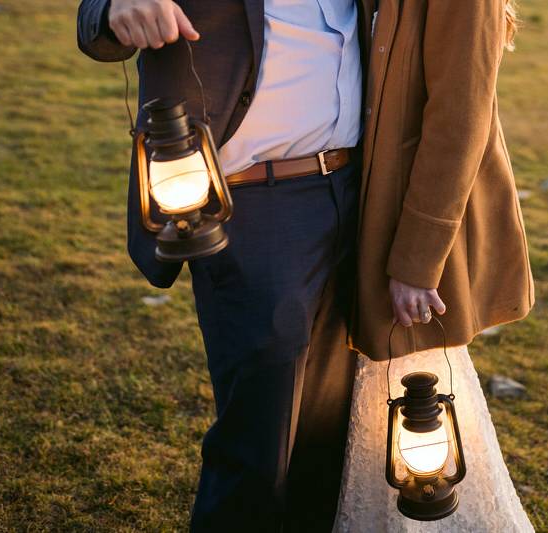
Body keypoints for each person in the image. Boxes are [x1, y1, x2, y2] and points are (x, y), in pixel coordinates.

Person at [77, 0, 374, 530]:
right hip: (252, 201)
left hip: (356, 188)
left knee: (332, 440)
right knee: (260, 442)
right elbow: (94, 19)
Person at [337, 0, 535, 530]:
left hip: (413, 217)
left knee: (411, 384)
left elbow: (460, 118)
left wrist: (418, 260)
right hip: (362, 205)